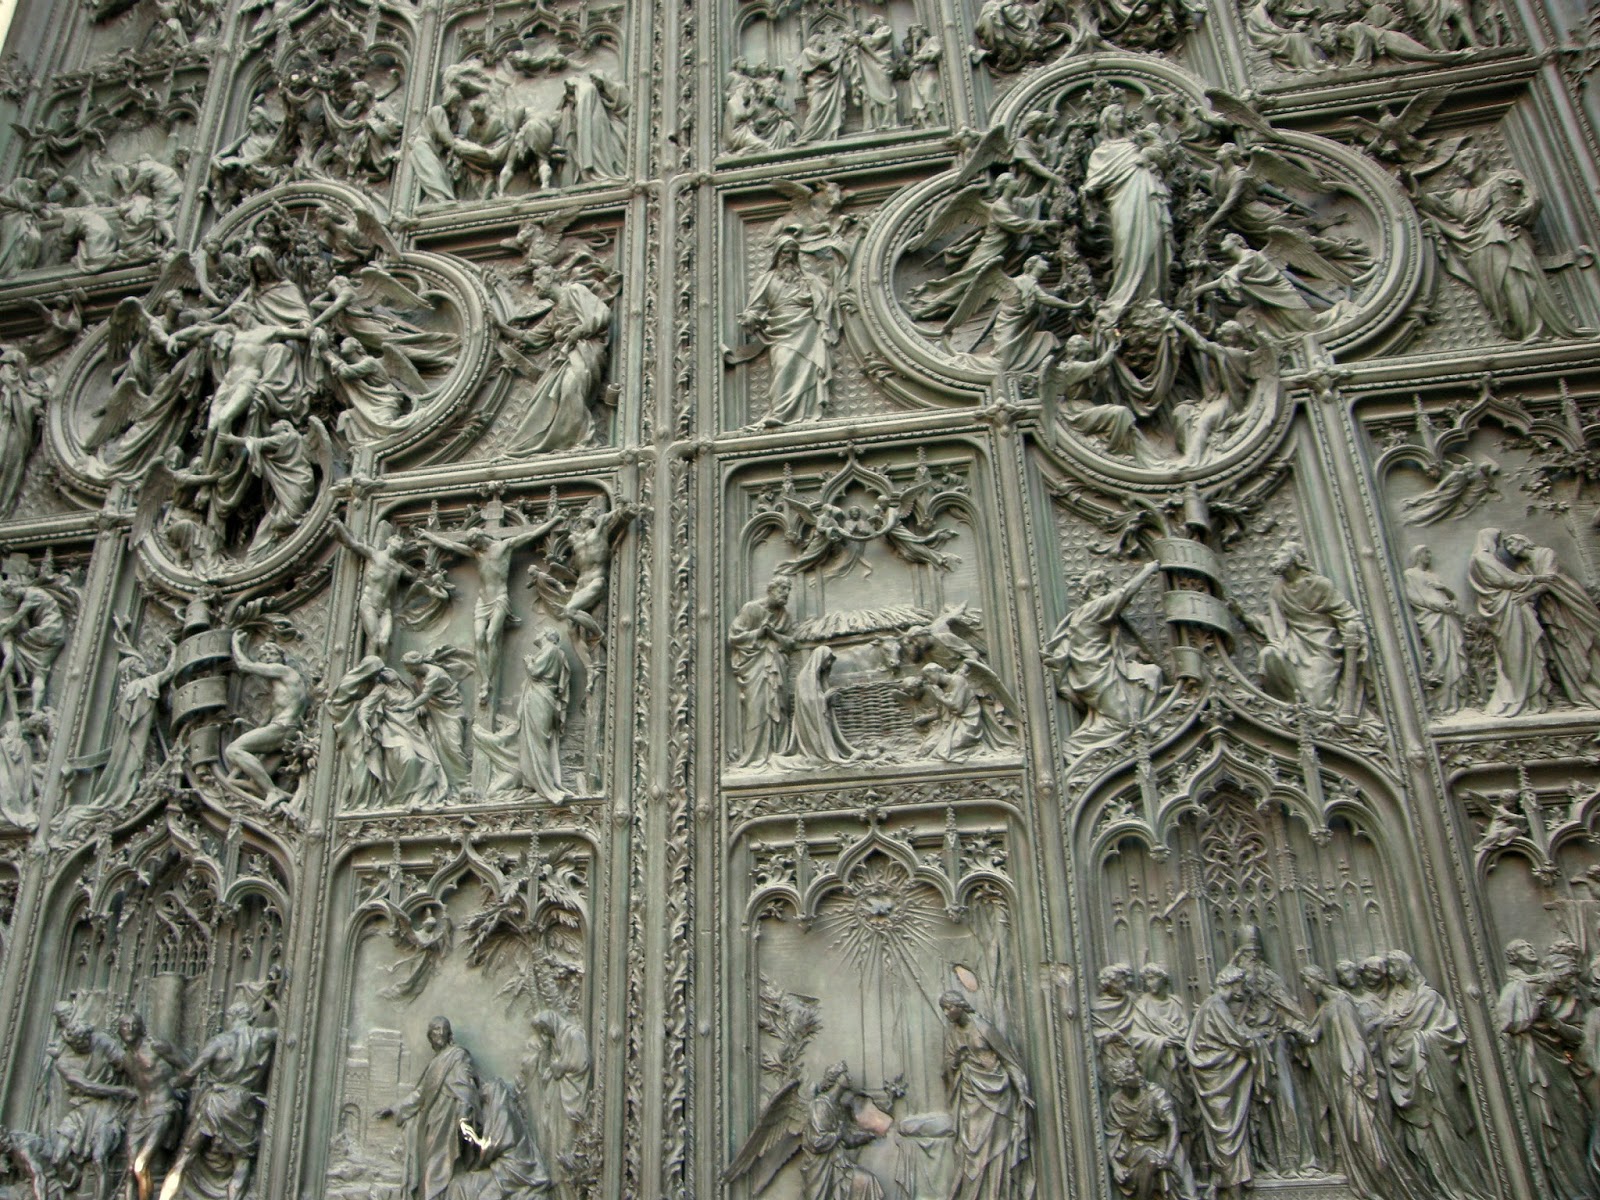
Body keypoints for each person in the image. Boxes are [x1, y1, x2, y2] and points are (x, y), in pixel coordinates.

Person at [1413, 142, 1580, 341]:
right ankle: (1519, 327)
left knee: (1514, 281)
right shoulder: (1459, 196)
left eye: (1465, 159)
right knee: (1496, 296)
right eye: (1457, 164)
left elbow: (1532, 199)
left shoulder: (1504, 178)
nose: (1461, 165)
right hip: (1477, 249)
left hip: (1503, 238)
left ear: (1480, 159)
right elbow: (1430, 203)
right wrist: (1409, 183)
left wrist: (1522, 212)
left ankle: (1534, 330)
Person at [419, 518, 562, 703]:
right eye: (472, 545)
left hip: (499, 599)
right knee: (479, 638)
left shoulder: (504, 546)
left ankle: (489, 680)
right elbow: (450, 545)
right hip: (482, 601)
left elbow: (532, 534)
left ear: (482, 537)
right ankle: (485, 680)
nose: (473, 547)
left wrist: (554, 520)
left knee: (491, 636)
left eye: (475, 543)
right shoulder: (476, 553)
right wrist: (428, 535)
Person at [160, 1003, 277, 1200]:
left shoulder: (219, 1042)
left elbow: (191, 1073)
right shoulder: (262, 1037)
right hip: (242, 1104)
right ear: (250, 1018)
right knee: (241, 1162)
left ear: (231, 1017)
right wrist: (273, 1003)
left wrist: (172, 1084)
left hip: (215, 1102)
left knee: (186, 1155)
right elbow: (286, 1031)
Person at [1242, 544, 1366, 716]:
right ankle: (1288, 706)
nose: (1276, 555)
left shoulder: (1319, 585)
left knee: (1320, 704)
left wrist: (1354, 628)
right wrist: (1241, 615)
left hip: (1321, 643)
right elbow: (1274, 622)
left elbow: (1345, 612)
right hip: (1294, 643)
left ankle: (1320, 718)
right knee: (1269, 655)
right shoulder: (1277, 590)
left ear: (1296, 559)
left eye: (1282, 551)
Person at [1046, 563, 1162, 737]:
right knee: (1122, 718)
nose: (1105, 589)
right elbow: (1124, 593)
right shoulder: (1095, 608)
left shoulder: (1082, 613)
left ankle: (1142, 721)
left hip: (1099, 668)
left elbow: (1095, 642)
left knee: (1151, 673)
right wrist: (1147, 571)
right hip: (1096, 672)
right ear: (1089, 590)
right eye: (1099, 586)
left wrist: (1135, 652)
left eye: (1105, 585)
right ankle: (1135, 729)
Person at [940, 990, 1035, 1200]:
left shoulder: (983, 1028)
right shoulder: (952, 1034)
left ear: (960, 1006)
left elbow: (1009, 1060)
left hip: (996, 1096)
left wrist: (1022, 1092)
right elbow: (947, 1067)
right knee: (971, 1148)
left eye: (949, 1007)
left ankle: (996, 1194)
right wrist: (957, 1060)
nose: (946, 1013)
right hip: (970, 1096)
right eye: (944, 1009)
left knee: (995, 1148)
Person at [735, 236, 837, 426]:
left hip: (807, 330)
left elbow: (824, 296)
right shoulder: (767, 280)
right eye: (785, 252)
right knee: (783, 366)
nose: (789, 256)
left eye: (793, 253)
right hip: (780, 332)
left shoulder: (808, 280)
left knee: (807, 369)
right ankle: (780, 412)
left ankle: (804, 413)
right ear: (777, 254)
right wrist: (750, 317)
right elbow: (756, 307)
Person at [1083, 103, 1172, 319]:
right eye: (1115, 113)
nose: (1120, 117)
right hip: (1121, 201)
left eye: (1122, 113)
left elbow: (1161, 160)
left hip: (1147, 195)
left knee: (1153, 240)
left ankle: (1151, 297)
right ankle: (1124, 297)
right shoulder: (1100, 153)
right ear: (1105, 120)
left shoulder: (1135, 146)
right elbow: (1094, 181)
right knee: (1125, 245)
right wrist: (1086, 190)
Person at [378, 1017, 482, 1200]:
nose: (439, 1033)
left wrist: (463, 1120)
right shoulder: (435, 1063)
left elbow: (465, 1089)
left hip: (448, 1123)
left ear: (449, 1034)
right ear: (430, 1035)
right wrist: (394, 1108)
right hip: (432, 1122)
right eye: (435, 1030)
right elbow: (420, 1094)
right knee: (429, 1171)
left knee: (437, 1172)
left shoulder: (457, 1056)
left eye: (443, 1029)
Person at [475, 631, 572, 802]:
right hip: (542, 696)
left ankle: (544, 787)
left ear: (546, 636)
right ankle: (532, 784)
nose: (537, 633)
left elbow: (535, 672)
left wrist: (529, 662)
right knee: (531, 741)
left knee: (537, 742)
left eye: (540, 632)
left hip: (540, 696)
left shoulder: (551, 649)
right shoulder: (555, 652)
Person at [1185, 967, 1257, 1198]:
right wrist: (1257, 1042)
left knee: (1225, 1133)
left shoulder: (1210, 1005)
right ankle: (1232, 1189)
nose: (1242, 989)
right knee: (1227, 1134)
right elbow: (1235, 1038)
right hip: (1217, 1078)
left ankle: (1219, 1184)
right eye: (1241, 984)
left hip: (1217, 1076)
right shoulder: (1216, 1005)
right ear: (1233, 984)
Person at [1467, 527, 1552, 715]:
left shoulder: (1483, 559)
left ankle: (1531, 697)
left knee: (1521, 650)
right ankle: (1521, 696)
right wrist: (1538, 577)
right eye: (1496, 541)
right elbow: (1507, 579)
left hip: (1508, 607)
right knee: (1518, 651)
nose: (1497, 545)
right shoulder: (1482, 558)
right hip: (1507, 609)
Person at [224, 631, 310, 806]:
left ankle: (273, 792)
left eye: (272, 653)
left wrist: (235, 643)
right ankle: (284, 797)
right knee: (248, 781)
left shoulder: (284, 670)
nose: (268, 658)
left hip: (283, 728)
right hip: (283, 732)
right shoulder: (278, 695)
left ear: (281, 657)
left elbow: (243, 665)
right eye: (264, 656)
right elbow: (264, 724)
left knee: (233, 749)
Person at [108, 1012, 187, 1200]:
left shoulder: (156, 1047)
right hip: (141, 1113)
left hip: (162, 1108)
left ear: (142, 1028)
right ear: (119, 1031)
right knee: (130, 1168)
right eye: (125, 1025)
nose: (130, 1029)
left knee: (140, 1164)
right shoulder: (126, 1058)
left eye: (134, 1024)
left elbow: (188, 1066)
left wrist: (175, 1088)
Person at [1103, 1057, 1198, 1200]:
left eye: (1138, 1070)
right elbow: (1112, 1138)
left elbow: (1173, 1124)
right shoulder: (1116, 1103)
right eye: (1132, 1073)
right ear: (1122, 1081)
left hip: (1165, 1142)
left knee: (1188, 1192)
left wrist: (1169, 1155)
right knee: (1151, 1160)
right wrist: (1116, 1167)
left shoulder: (1155, 1094)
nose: (1139, 1075)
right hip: (1137, 1147)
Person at [728, 577, 795, 767]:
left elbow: (791, 643)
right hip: (755, 667)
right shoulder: (751, 609)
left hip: (777, 667)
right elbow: (734, 636)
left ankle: (777, 751)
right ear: (771, 590)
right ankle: (755, 755)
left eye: (788, 590)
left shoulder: (784, 615)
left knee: (779, 708)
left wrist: (773, 634)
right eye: (782, 589)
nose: (786, 594)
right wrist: (759, 633)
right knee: (757, 707)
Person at [331, 518, 414, 658]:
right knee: (374, 640)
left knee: (384, 641)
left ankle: (381, 669)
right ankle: (370, 666)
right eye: (398, 540)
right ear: (389, 541)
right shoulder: (375, 555)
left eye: (402, 542)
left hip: (385, 609)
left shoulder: (399, 568)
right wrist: (339, 525)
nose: (401, 543)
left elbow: (416, 577)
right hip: (370, 603)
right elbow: (353, 543)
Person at [1403, 545, 1471, 712]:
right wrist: (1438, 606)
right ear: (1418, 555)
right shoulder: (1410, 574)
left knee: (1454, 654)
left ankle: (1457, 700)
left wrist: (1447, 597)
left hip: (1447, 617)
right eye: (1426, 552)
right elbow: (1413, 597)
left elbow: (1451, 597)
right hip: (1431, 619)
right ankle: (1440, 702)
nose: (1429, 555)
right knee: (1440, 656)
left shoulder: (1433, 576)